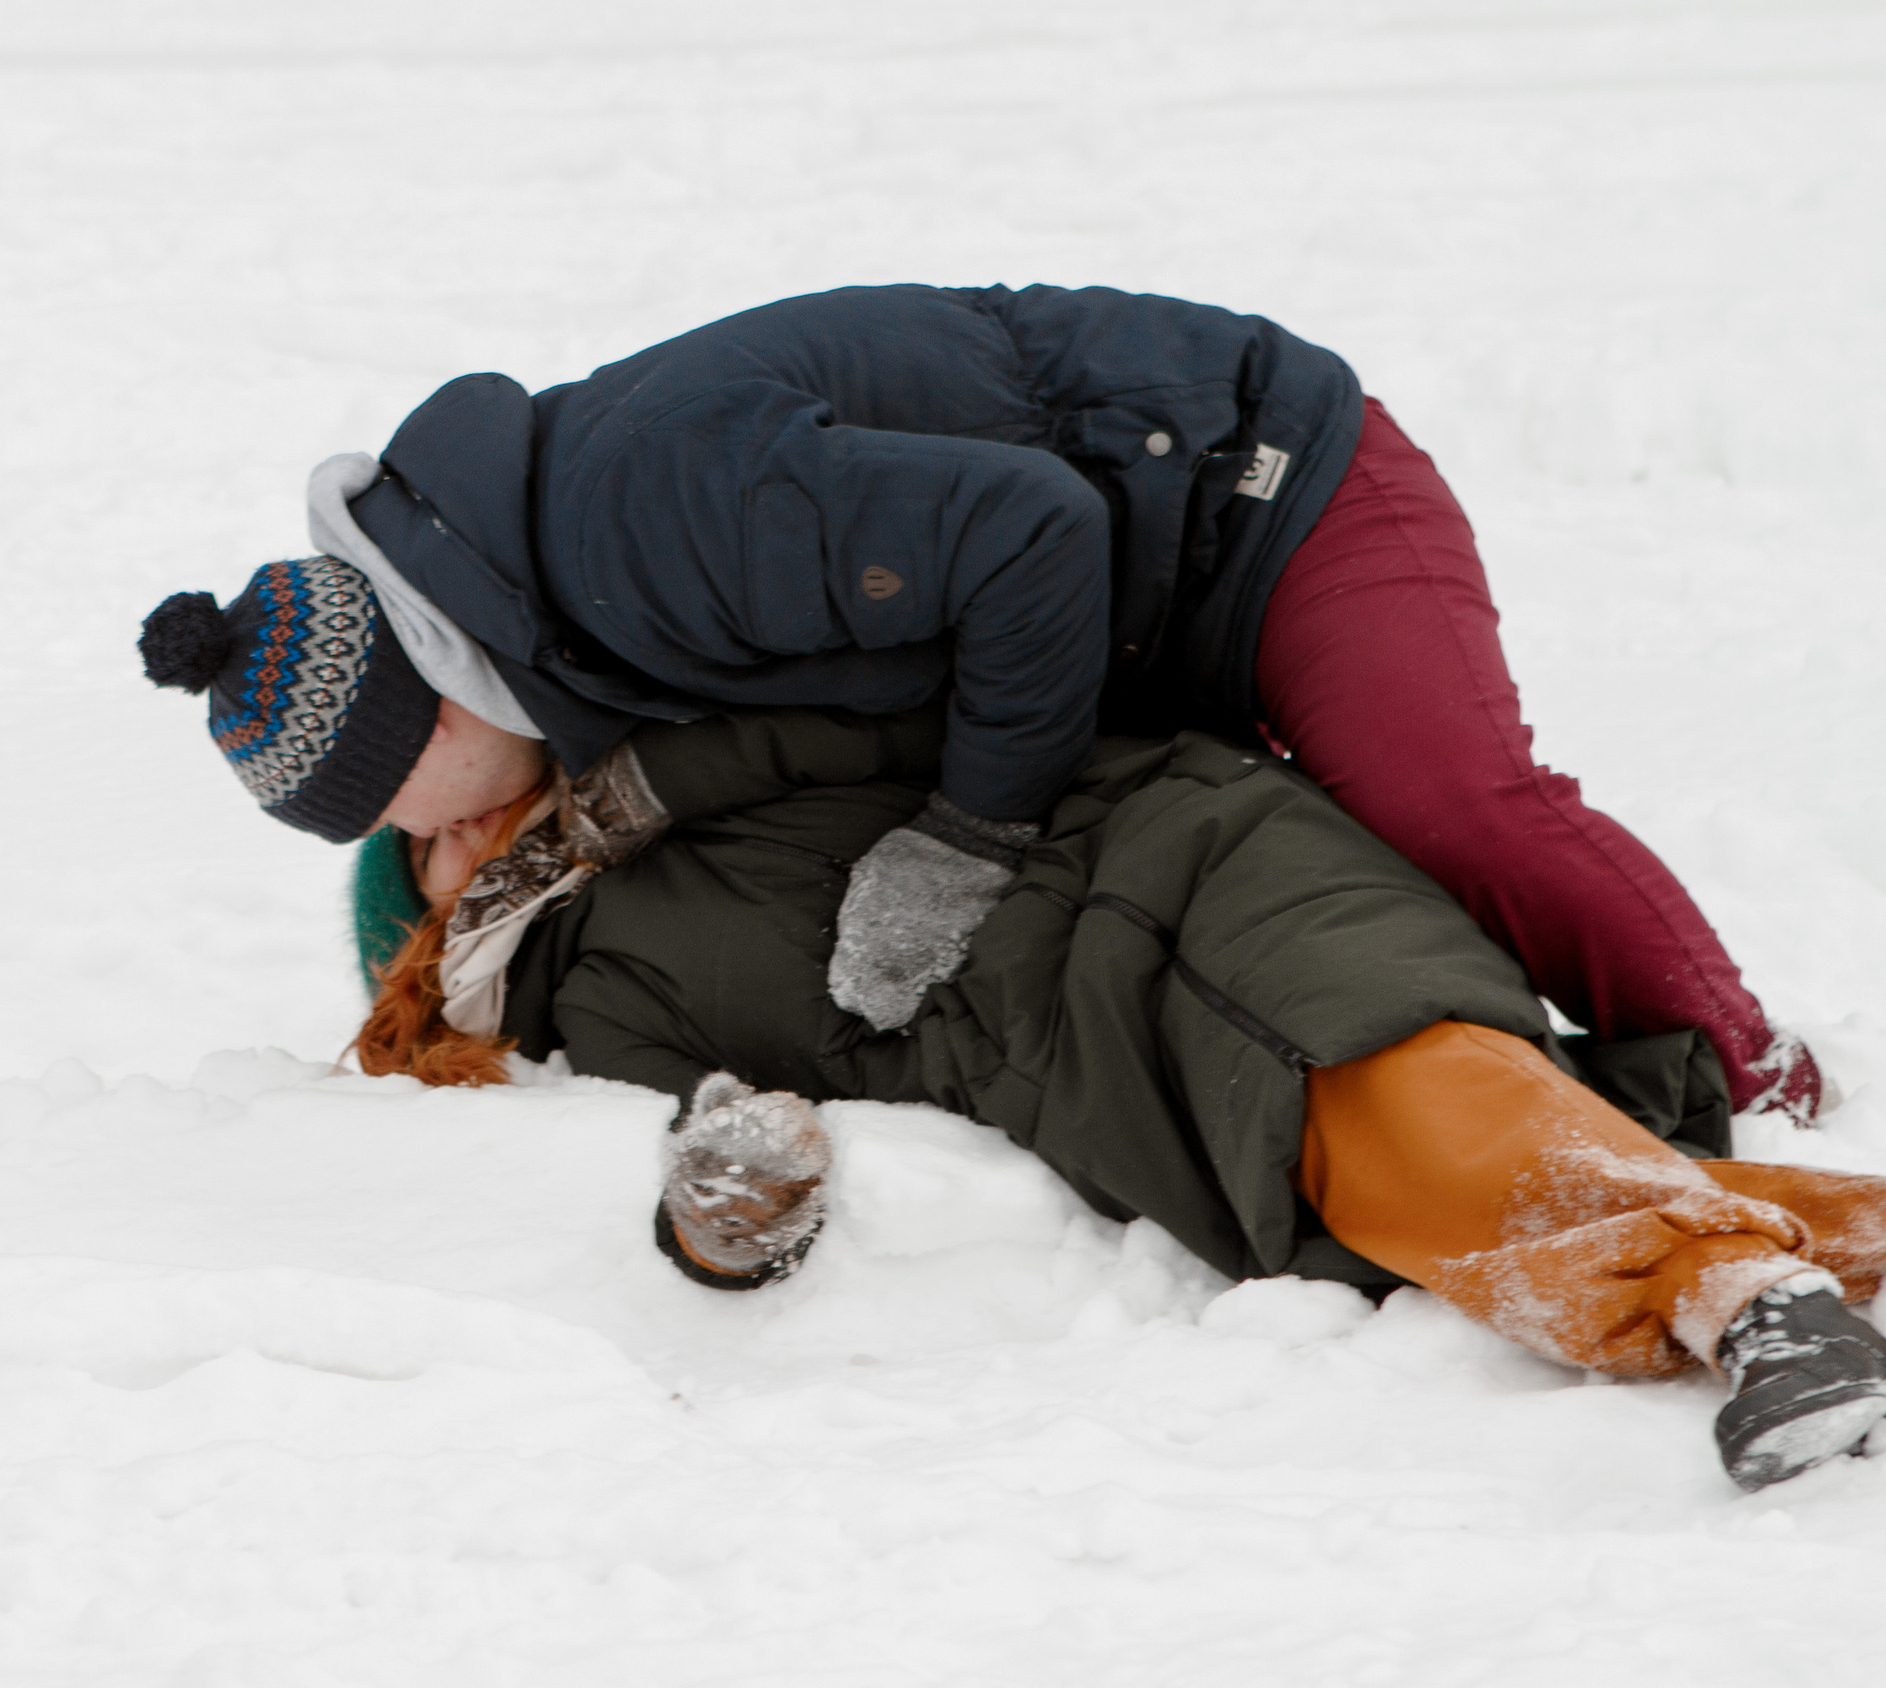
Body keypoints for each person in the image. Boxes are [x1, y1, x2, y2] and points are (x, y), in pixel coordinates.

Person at [143, 283, 1819, 1119]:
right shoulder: (554, 629)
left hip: (1269, 497)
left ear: (432, 723)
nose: (438, 843)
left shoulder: (639, 526)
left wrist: (970, 836)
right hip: (1151, 609)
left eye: (400, 821)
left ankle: (1750, 1061)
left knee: (1442, 807)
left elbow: (1038, 533)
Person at [334, 698, 1886, 1494]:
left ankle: (1739, 1299)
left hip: (1182, 849)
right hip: (1098, 1057)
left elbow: (902, 720)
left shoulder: (663, 765)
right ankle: (1810, 1252)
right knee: (1396, 1165)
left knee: (1395, 1089)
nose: (457, 851)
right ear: (411, 949)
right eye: (423, 871)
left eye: (446, 828)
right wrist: (728, 1210)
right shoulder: (577, 1019)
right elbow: (714, 1152)